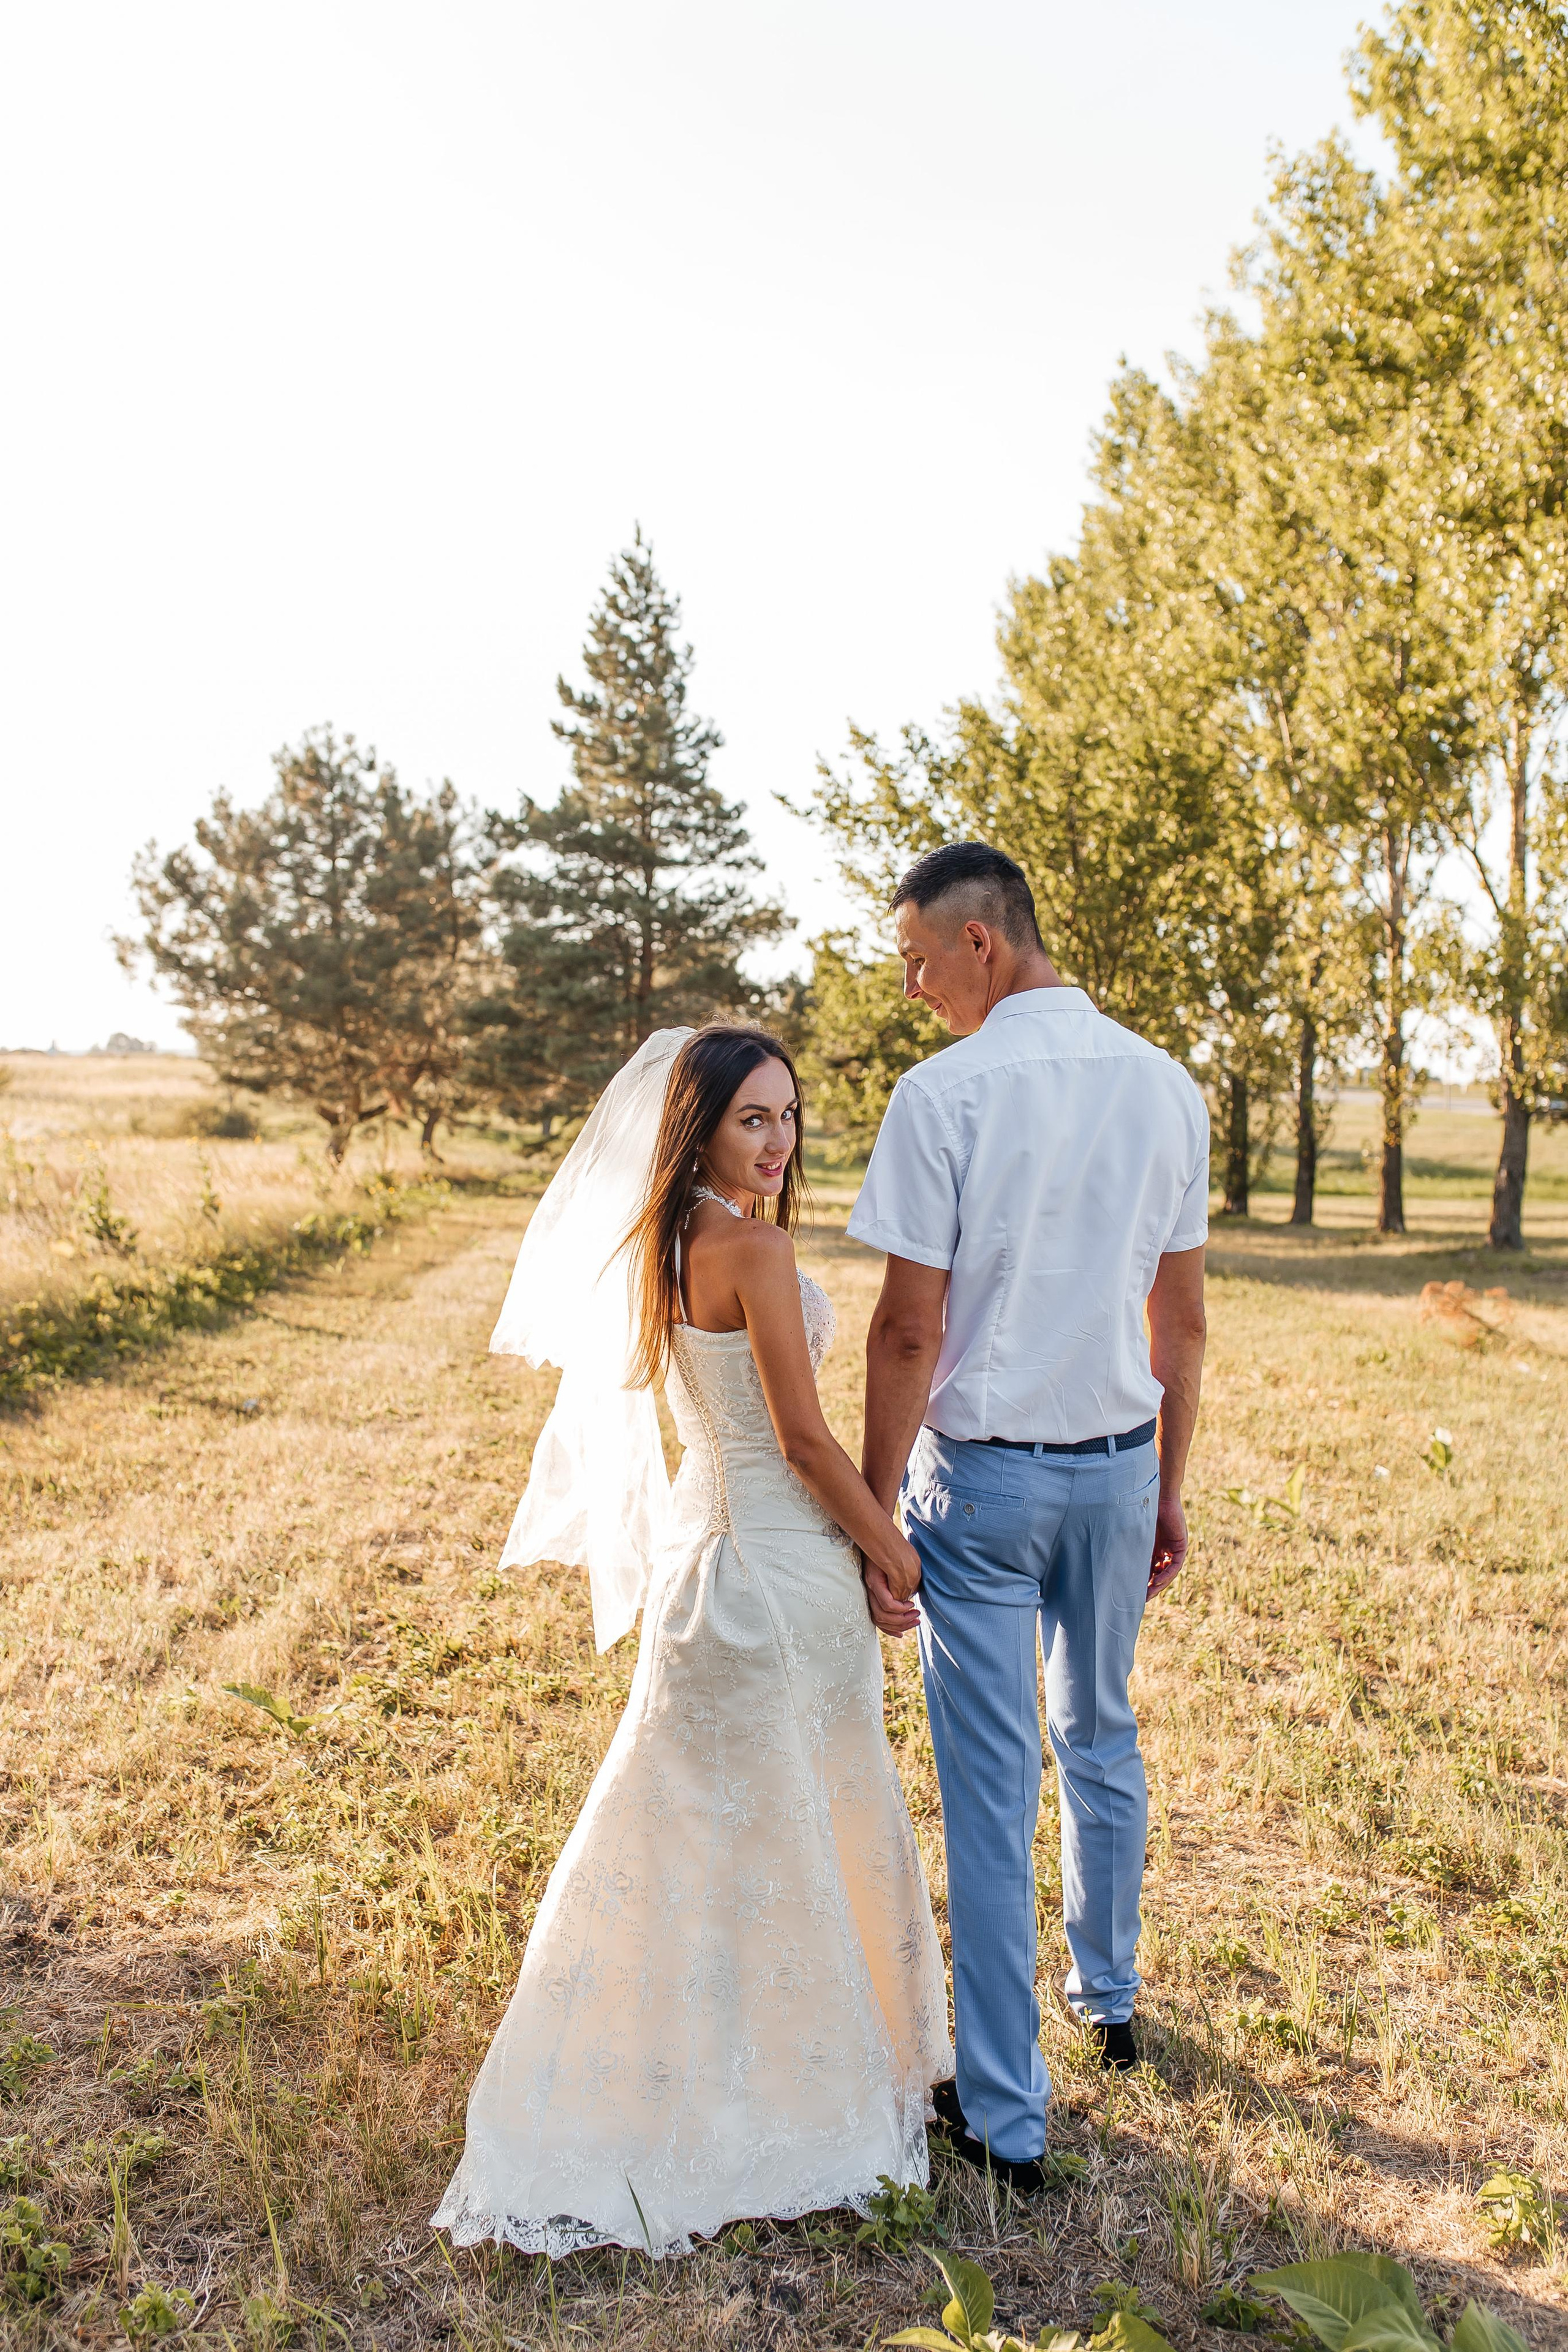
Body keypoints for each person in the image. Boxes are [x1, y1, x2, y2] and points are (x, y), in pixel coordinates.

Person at [433, 1024, 951, 2261]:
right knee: (792, 1819)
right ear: (699, 1129)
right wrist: (892, 1550)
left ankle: (671, 2067)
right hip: (776, 1575)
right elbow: (805, 1444)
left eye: (785, 1117)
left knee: (696, 1825)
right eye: (749, 1122)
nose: (775, 1143)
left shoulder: (662, 1245)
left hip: (700, 1568)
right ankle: (790, 2093)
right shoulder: (753, 1250)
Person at [846, 842, 1208, 2192]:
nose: (910, 987)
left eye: (916, 961)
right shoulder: (1166, 1086)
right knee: (1099, 1728)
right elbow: (1177, 1318)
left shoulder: (941, 1095)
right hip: (1117, 1465)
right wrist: (1166, 1482)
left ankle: (1005, 2120)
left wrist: (878, 1515)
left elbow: (902, 1331)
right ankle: (1105, 2000)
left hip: (984, 1481)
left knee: (993, 1795)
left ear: (979, 946)